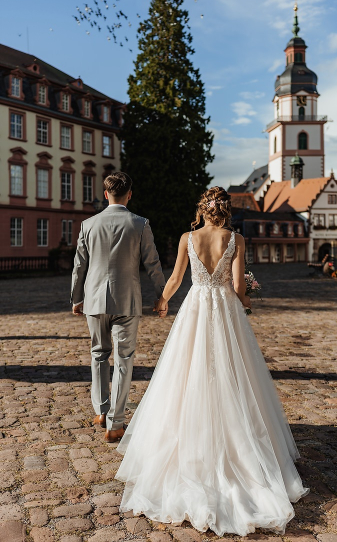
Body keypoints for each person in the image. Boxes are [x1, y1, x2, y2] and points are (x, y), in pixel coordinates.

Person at [115, 186, 308, 537]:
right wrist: (248, 298)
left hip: (196, 308)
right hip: (225, 312)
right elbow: (236, 285)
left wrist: (162, 301)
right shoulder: (235, 239)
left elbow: (175, 279)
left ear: (202, 210)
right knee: (235, 374)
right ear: (224, 210)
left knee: (187, 373)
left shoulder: (188, 237)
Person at [70, 172, 165, 442]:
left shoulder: (89, 224)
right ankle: (115, 424)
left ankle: (101, 411)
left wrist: (77, 298)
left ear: (105, 194)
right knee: (124, 360)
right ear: (130, 194)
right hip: (127, 301)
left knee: (98, 354)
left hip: (95, 299)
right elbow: (152, 263)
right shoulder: (140, 223)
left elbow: (79, 266)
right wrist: (161, 296)